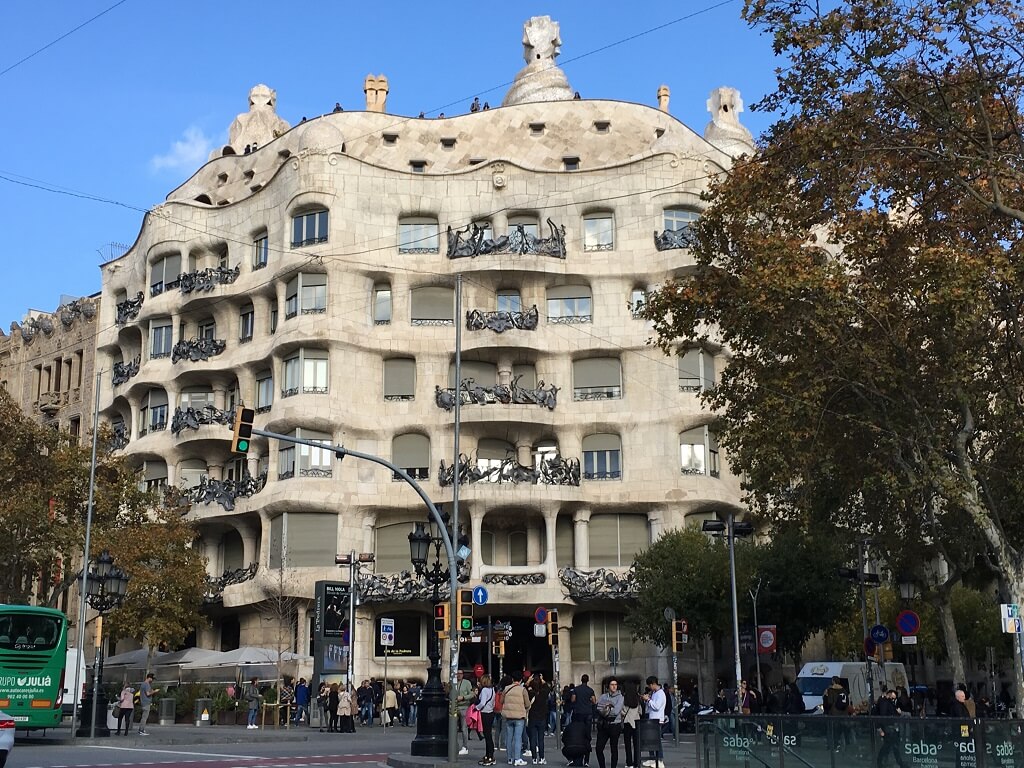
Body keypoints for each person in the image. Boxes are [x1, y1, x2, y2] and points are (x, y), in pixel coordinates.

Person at [502, 670, 531, 766]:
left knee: (509, 738)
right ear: (521, 679)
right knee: (518, 738)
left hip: (508, 716)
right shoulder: (522, 690)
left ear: (512, 679)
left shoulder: (506, 688)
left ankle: (509, 758)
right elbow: (527, 703)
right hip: (519, 717)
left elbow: (501, 700)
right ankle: (517, 758)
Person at [595, 679, 624, 768]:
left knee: (613, 748)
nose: (614, 686)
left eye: (615, 684)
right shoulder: (603, 696)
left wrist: (606, 709)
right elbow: (599, 708)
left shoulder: (620, 697)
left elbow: (616, 711)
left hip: (615, 724)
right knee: (598, 748)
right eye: (612, 684)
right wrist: (607, 708)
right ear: (608, 686)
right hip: (604, 724)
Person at [876, 689, 907, 768]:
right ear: (889, 694)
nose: (893, 700)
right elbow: (884, 715)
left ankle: (881, 761)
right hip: (888, 727)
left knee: (889, 746)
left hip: (888, 727)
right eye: (893, 698)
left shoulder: (886, 702)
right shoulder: (885, 702)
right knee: (890, 746)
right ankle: (882, 762)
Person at [641, 676, 665, 768]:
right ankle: (652, 759)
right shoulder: (655, 693)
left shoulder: (660, 693)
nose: (649, 687)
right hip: (652, 719)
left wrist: (648, 700)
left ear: (653, 684)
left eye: (649, 685)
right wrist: (648, 700)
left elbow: (657, 706)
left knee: (657, 740)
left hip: (657, 720)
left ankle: (659, 759)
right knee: (651, 740)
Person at [527, 672, 551, 764]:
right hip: (541, 717)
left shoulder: (530, 693)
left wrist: (528, 681)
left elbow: (523, 688)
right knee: (541, 739)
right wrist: (542, 680)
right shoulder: (543, 693)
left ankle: (534, 758)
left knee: (533, 739)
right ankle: (541, 758)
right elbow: (548, 688)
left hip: (532, 717)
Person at [822, 676, 850, 753]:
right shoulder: (844, 690)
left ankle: (833, 746)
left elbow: (829, 703)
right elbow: (847, 702)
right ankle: (844, 745)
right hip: (843, 714)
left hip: (834, 714)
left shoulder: (831, 690)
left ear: (833, 681)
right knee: (841, 731)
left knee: (833, 731)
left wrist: (825, 697)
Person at [477, 674, 497, 766]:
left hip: (485, 713)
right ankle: (488, 754)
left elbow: (482, 702)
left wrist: (476, 708)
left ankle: (490, 756)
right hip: (491, 712)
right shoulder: (492, 689)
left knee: (487, 735)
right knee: (488, 734)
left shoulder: (484, 690)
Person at [621, 685, 642, 768]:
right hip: (636, 722)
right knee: (636, 744)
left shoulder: (624, 699)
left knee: (628, 744)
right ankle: (637, 762)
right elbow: (640, 711)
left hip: (627, 722)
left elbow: (622, 711)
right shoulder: (637, 699)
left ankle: (629, 762)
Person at [455, 669, 475, 753]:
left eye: (460, 673)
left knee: (464, 728)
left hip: (464, 707)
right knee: (453, 728)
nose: (459, 675)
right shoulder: (453, 682)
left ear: (463, 675)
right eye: (457, 673)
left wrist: (463, 698)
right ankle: (454, 745)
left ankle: (465, 746)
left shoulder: (466, 683)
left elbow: (471, 694)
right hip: (454, 708)